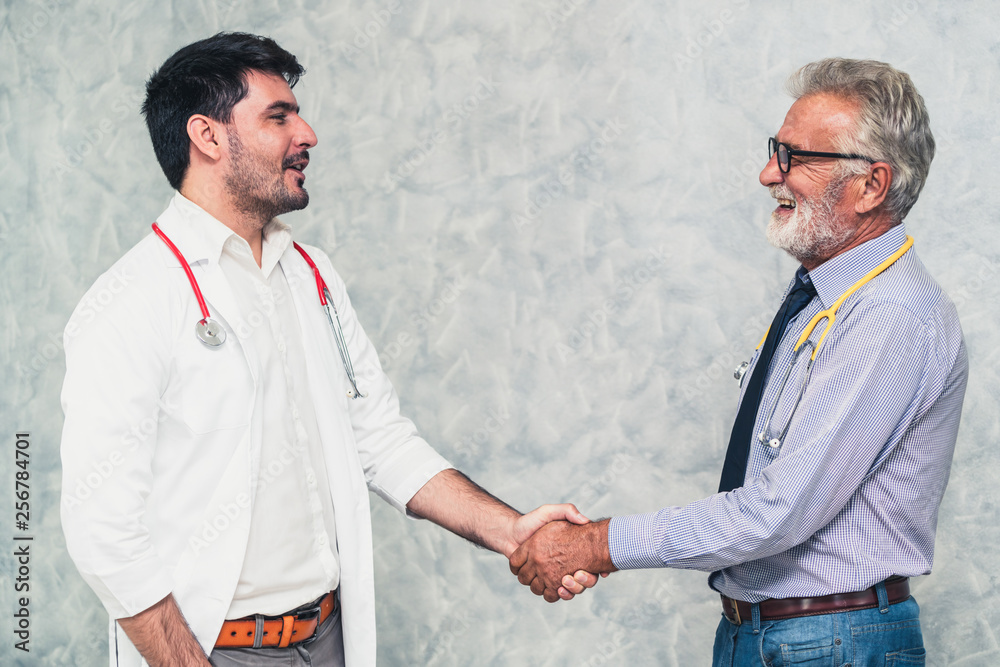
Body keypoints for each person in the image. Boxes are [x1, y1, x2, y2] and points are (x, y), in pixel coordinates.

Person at [60, 32, 595, 667]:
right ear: (207, 136)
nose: (307, 133)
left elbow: (380, 438)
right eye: (278, 117)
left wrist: (511, 531)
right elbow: (103, 532)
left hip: (327, 641)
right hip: (213, 650)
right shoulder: (130, 301)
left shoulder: (310, 274)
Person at [510, 58, 968, 665]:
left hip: (832, 644)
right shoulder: (822, 296)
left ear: (871, 187)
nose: (767, 174)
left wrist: (595, 544)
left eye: (797, 158)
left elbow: (777, 513)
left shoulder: (889, 314)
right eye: (776, 149)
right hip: (776, 636)